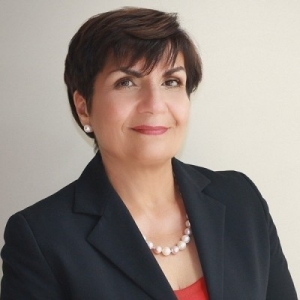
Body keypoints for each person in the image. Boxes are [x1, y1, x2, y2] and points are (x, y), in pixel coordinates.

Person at [0, 7, 297, 300]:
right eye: (126, 82)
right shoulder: (41, 238)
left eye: (171, 82)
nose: (154, 104)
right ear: (83, 107)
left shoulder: (241, 201)